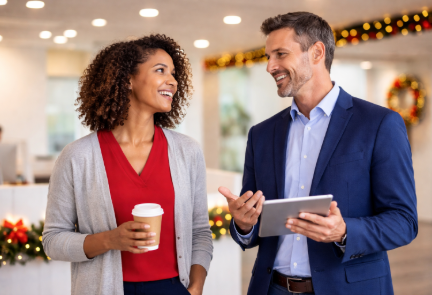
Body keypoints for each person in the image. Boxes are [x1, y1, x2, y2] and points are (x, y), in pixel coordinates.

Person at [219, 12, 417, 295]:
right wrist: (243, 222)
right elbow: (253, 225)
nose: (270, 66)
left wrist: (344, 231)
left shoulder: (379, 124)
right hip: (271, 288)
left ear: (316, 52)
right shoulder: (261, 134)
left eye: (280, 54)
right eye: (267, 57)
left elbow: (404, 221)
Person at [42, 34, 213, 295]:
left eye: (174, 73)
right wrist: (110, 240)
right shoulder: (78, 156)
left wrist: (196, 287)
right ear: (127, 79)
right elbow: (53, 241)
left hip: (174, 289)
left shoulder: (187, 151)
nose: (173, 81)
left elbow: (200, 231)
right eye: (160, 70)